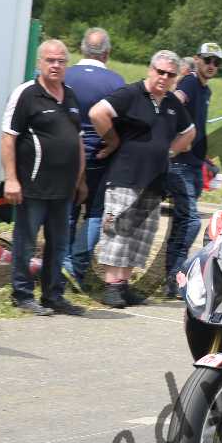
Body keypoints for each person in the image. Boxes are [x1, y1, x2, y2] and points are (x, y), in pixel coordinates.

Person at [89, 51, 195, 308]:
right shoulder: (131, 94)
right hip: (125, 176)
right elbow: (97, 113)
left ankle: (123, 285)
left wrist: (169, 152)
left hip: (154, 181)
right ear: (150, 70)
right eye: (160, 72)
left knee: (141, 236)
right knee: (119, 233)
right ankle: (111, 286)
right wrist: (113, 140)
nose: (164, 77)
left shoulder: (172, 103)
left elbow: (190, 132)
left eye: (170, 74)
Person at [0, 39, 87, 316]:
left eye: (61, 61)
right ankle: (22, 294)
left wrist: (81, 180)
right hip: (33, 185)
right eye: (50, 60)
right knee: (26, 242)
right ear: (39, 63)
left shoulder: (70, 96)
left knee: (59, 244)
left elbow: (78, 140)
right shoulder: (26, 94)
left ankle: (53, 295)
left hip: (64, 188)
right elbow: (8, 138)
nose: (56, 65)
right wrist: (11, 179)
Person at [63, 27, 125, 287]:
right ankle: (76, 266)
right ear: (107, 53)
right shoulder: (116, 82)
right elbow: (122, 123)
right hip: (100, 156)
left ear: (81, 49)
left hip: (65, 155)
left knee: (67, 211)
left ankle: (61, 263)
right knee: (95, 214)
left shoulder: (64, 75)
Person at [164, 42, 222, 298]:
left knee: (181, 222)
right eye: (207, 60)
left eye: (216, 62)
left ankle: (171, 278)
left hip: (195, 165)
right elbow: (174, 102)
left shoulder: (205, 89)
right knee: (190, 222)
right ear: (197, 59)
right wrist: (177, 138)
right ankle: (176, 275)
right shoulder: (189, 82)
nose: (211, 65)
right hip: (180, 164)